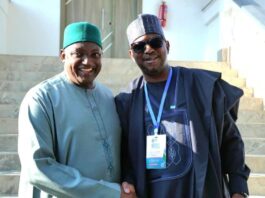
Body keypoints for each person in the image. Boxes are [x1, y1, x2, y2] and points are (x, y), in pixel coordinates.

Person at [115, 14, 250, 198]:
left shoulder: (202, 85)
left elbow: (231, 141)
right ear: (131, 55)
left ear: (167, 46)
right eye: (139, 46)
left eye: (155, 42)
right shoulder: (127, 100)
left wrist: (238, 188)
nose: (148, 49)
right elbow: (124, 156)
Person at [18, 21, 122, 198]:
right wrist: (109, 193)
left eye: (95, 54)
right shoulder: (41, 98)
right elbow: (37, 167)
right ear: (63, 55)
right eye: (78, 54)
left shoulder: (107, 96)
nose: (88, 61)